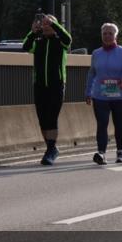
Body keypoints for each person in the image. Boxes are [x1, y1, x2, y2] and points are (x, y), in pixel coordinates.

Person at [23, 13, 73, 165]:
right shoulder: (38, 41)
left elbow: (68, 39)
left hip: (56, 84)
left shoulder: (60, 41)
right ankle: (51, 148)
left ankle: (51, 149)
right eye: (43, 25)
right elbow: (25, 46)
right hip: (40, 85)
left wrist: (55, 24)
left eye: (48, 24)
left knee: (52, 117)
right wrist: (33, 31)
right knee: (42, 119)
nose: (45, 27)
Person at [85, 23, 122, 164]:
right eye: (104, 33)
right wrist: (88, 91)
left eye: (110, 34)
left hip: (120, 94)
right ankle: (101, 153)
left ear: (115, 36)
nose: (107, 36)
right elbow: (92, 73)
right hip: (100, 95)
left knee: (119, 124)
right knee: (102, 124)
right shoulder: (96, 53)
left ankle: (120, 152)